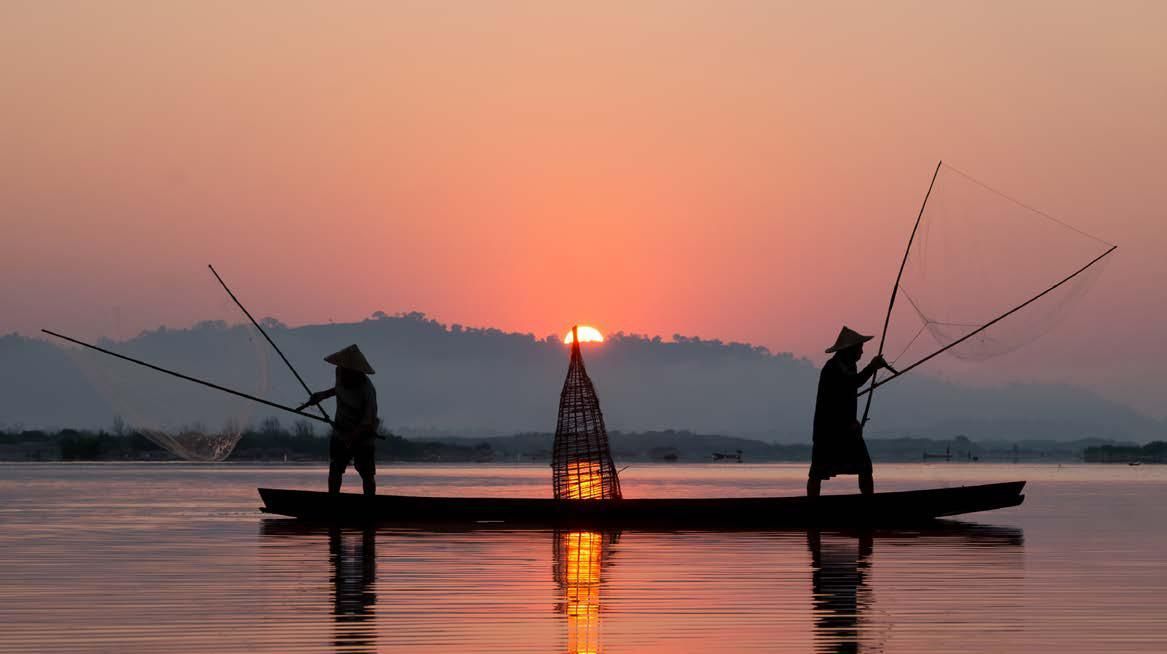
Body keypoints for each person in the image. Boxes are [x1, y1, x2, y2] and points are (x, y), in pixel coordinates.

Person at [808, 327, 892, 497]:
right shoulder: (833, 368)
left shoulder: (849, 366)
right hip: (828, 430)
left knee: (865, 468)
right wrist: (872, 367)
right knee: (817, 472)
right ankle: (811, 508)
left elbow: (849, 388)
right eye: (859, 348)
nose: (861, 352)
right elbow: (852, 383)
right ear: (849, 350)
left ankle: (868, 504)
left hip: (847, 428)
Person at [297, 344, 379, 496]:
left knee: (366, 473)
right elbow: (338, 389)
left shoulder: (367, 390)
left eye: (349, 371)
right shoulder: (340, 371)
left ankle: (370, 503)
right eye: (344, 370)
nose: (345, 373)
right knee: (335, 467)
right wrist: (321, 395)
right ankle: (332, 500)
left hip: (363, 435)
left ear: (357, 372)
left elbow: (368, 421)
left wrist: (352, 436)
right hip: (340, 431)